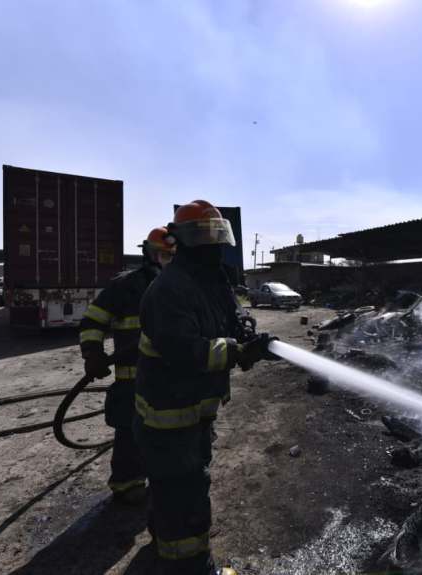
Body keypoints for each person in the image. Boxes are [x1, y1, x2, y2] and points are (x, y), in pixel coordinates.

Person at [135, 200, 274, 574]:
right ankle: (191, 566)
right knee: (185, 494)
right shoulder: (169, 288)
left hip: (193, 410)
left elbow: (232, 311)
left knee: (174, 488)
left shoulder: (211, 279)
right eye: (203, 237)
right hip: (169, 413)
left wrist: (243, 326)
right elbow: (184, 351)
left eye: (217, 236)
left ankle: (166, 545)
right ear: (182, 241)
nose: (213, 245)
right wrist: (239, 350)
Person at [78, 227, 176, 504]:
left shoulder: (185, 288)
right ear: (149, 254)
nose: (169, 262)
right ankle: (127, 484)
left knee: (171, 435)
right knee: (130, 436)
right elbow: (93, 321)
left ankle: (167, 480)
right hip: (133, 379)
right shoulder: (126, 285)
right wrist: (92, 353)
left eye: (173, 257)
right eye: (164, 255)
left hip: (172, 379)